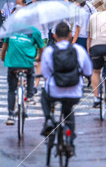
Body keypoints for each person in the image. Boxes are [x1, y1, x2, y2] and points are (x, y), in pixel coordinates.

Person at [40, 22, 93, 153]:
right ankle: (70, 140)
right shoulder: (78, 50)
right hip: (74, 91)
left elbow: (45, 74)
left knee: (44, 96)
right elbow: (88, 72)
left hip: (54, 90)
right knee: (68, 110)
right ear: (70, 35)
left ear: (54, 35)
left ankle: (48, 120)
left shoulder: (49, 51)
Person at [1, 16, 44, 125]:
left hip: (12, 64)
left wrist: (3, 58)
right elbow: (41, 48)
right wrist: (39, 58)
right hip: (27, 63)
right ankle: (30, 95)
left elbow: (4, 47)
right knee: (30, 73)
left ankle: (10, 115)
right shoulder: (35, 31)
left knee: (11, 90)